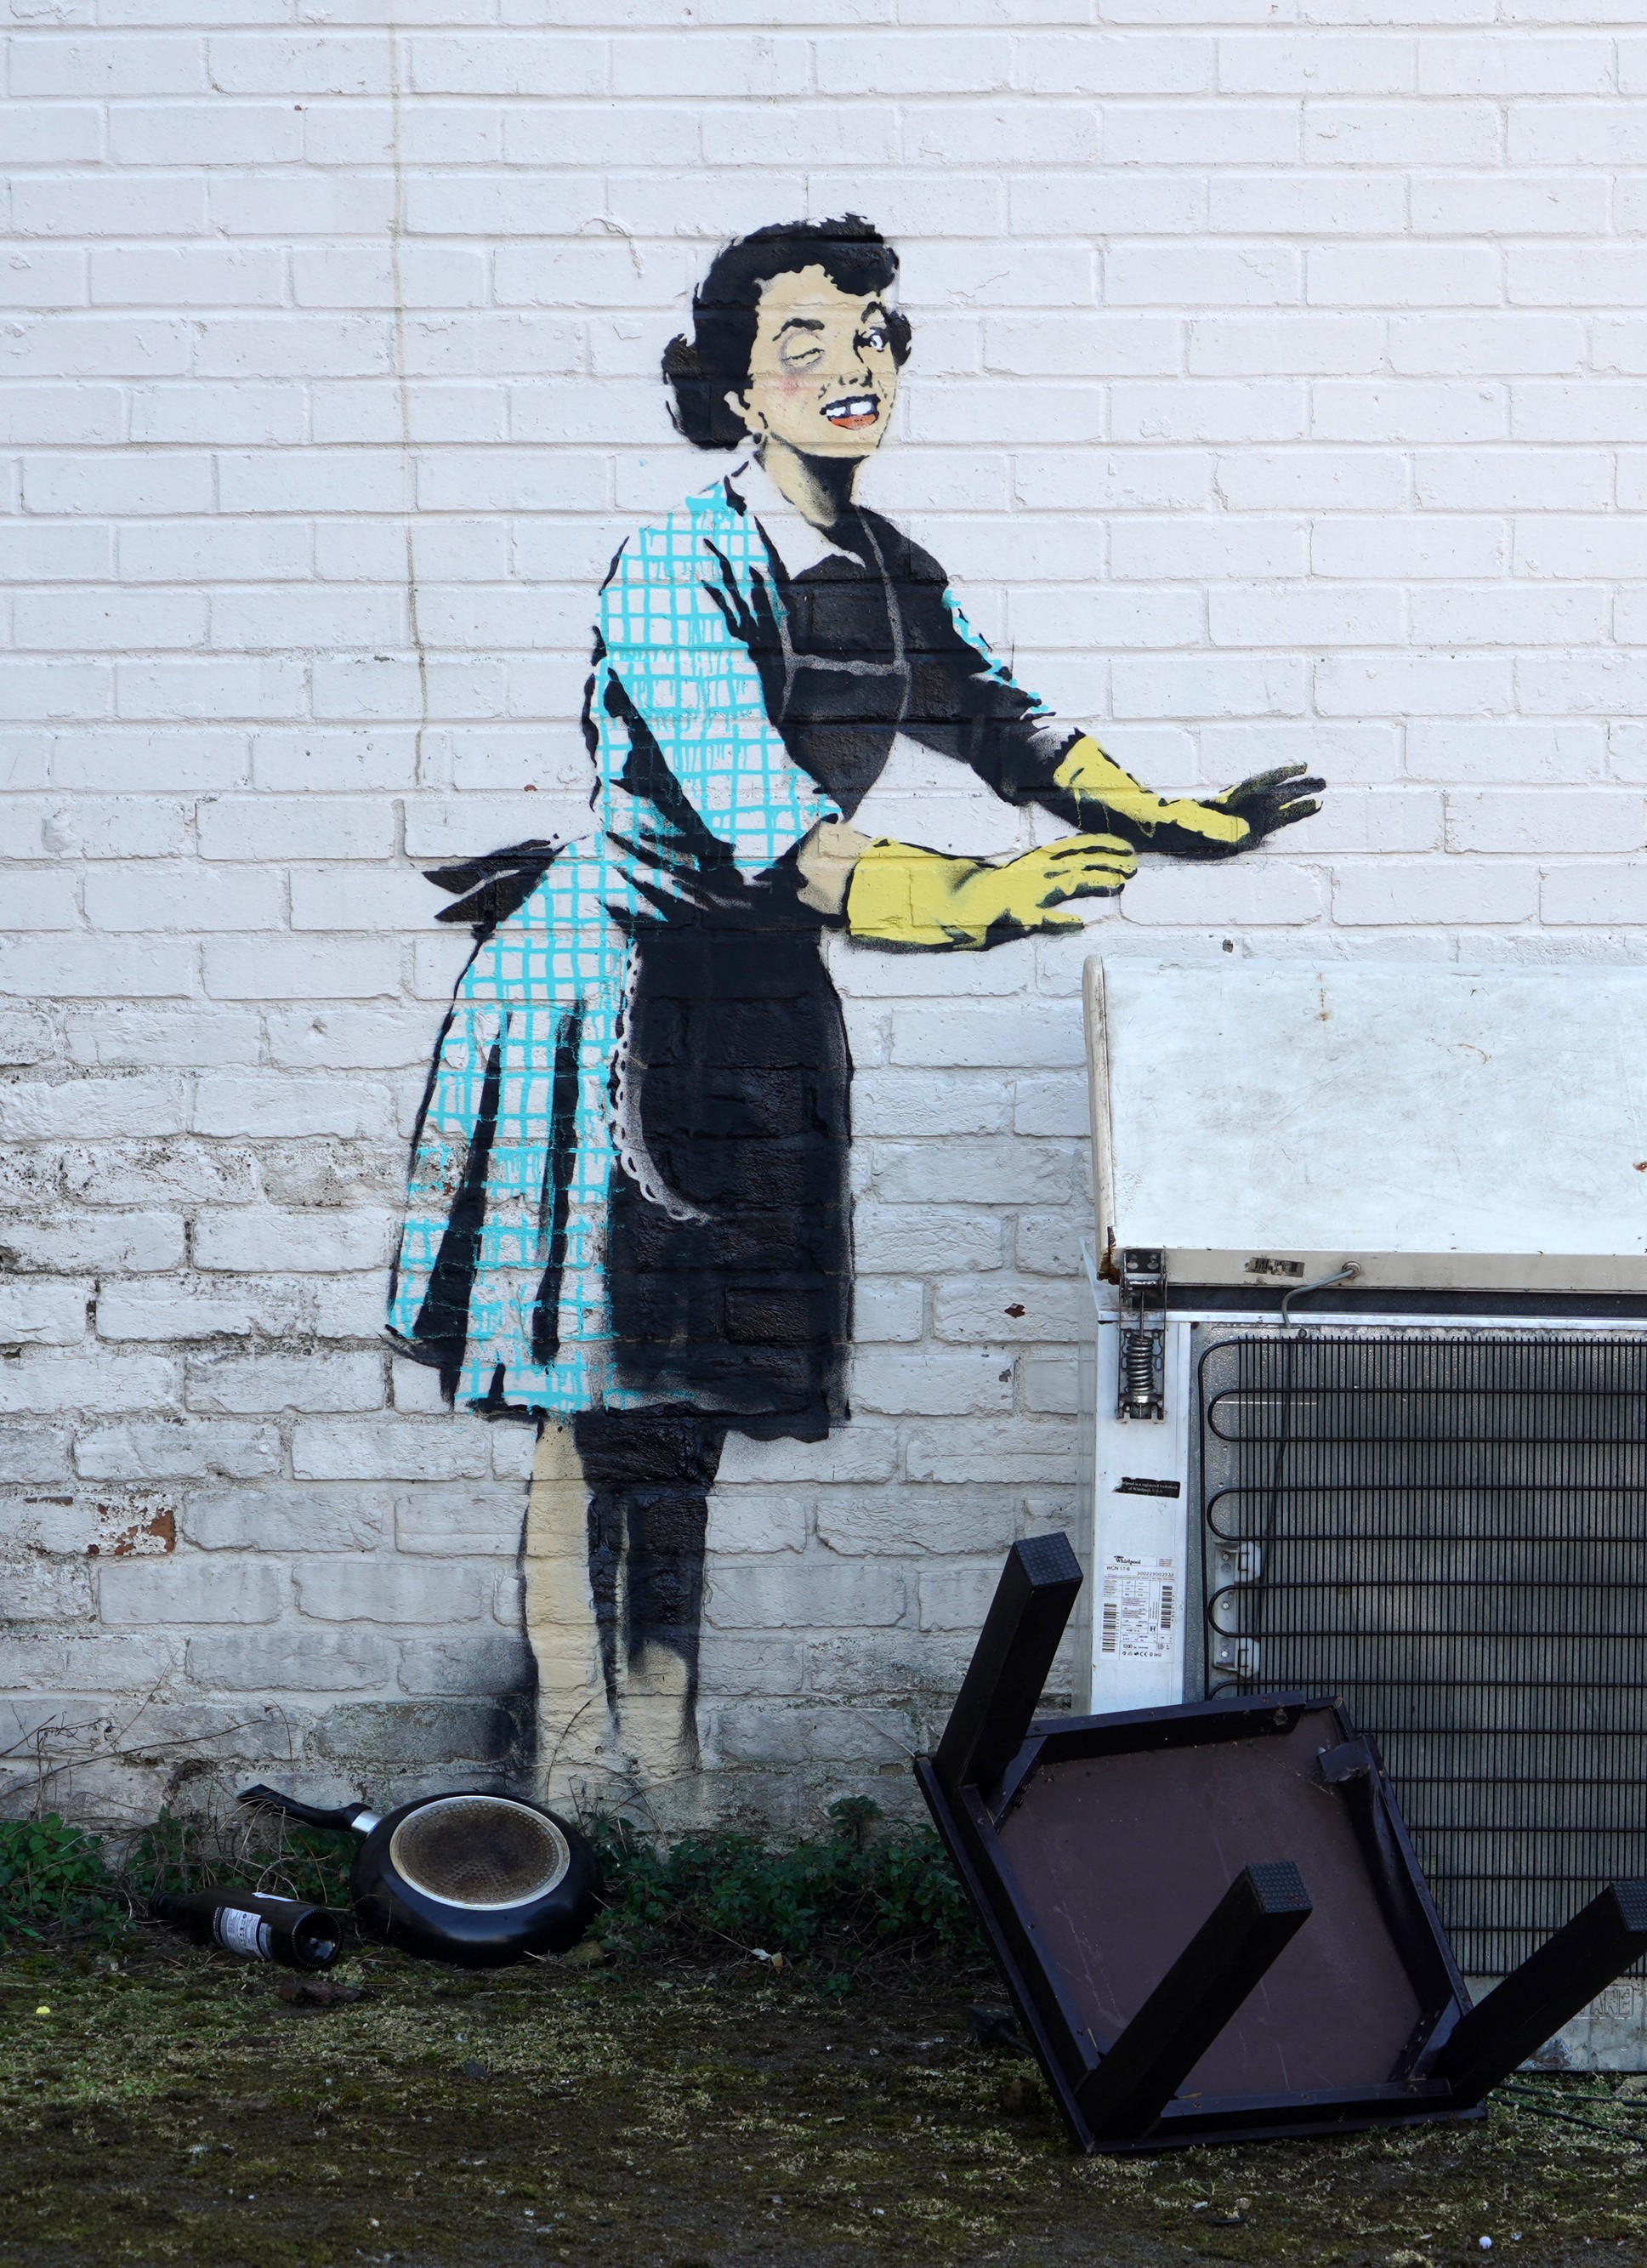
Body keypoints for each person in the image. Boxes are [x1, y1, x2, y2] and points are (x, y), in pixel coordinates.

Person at [384, 216, 1321, 1814]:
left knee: (689, 1406)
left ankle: (663, 1771)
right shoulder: (678, 566)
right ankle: (579, 1767)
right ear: (734, 388)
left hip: (756, 1012)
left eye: (873, 332)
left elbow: (1013, 725)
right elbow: (779, 829)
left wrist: (1185, 818)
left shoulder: (886, 571)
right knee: (595, 1406)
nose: (849, 364)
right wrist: (984, 899)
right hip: (613, 1001)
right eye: (802, 341)